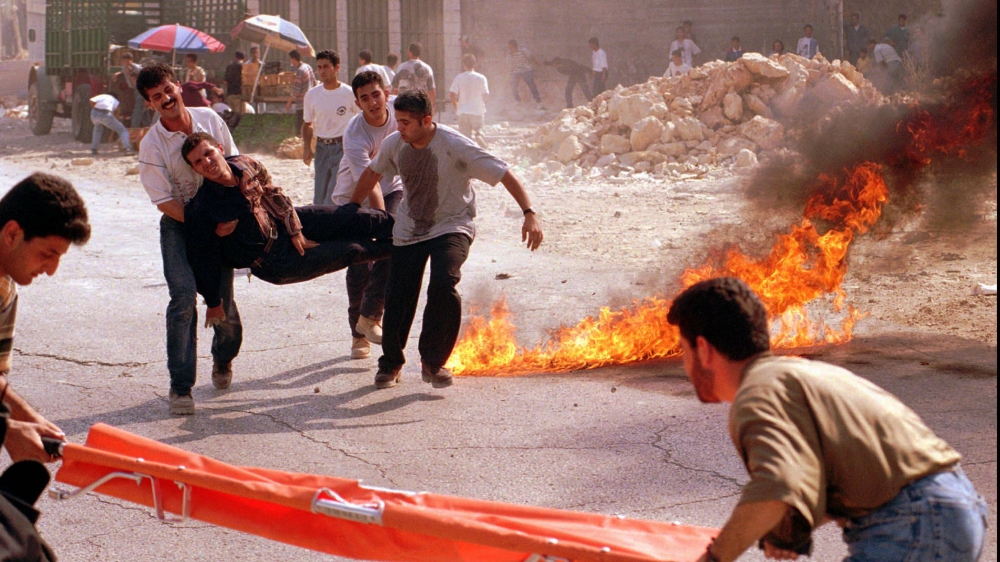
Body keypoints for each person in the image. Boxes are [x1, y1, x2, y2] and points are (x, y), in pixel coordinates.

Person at [666, 277, 988, 562]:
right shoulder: (797, 374)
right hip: (952, 510)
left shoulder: (757, 394)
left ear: (704, 349)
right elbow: (811, 474)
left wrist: (714, 557)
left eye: (684, 351)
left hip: (915, 522)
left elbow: (777, 486)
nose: (684, 365)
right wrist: (784, 533)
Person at [349, 90, 543, 390]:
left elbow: (504, 172)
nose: (399, 128)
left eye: (405, 122)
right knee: (399, 294)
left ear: (426, 120)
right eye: (397, 121)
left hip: (452, 225)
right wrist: (351, 209)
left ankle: (433, 362)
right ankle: (391, 363)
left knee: (444, 282)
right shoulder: (394, 144)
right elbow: (371, 173)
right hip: (410, 228)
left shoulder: (455, 144)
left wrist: (529, 213)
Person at [180, 133, 393, 327]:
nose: (206, 162)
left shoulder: (245, 163)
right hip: (274, 261)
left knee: (355, 217)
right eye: (198, 161)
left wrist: (295, 231)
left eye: (208, 153)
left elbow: (272, 192)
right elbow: (203, 258)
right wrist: (213, 301)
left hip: (283, 222)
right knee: (352, 249)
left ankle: (415, 229)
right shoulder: (203, 208)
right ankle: (407, 247)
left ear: (220, 148)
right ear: (194, 169)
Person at [136, 62, 243, 415]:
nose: (165, 98)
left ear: (178, 86)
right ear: (150, 104)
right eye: (156, 97)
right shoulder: (152, 146)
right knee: (183, 296)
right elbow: (165, 202)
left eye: (168, 90)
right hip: (180, 224)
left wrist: (228, 215)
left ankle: (223, 358)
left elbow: (234, 164)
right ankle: (181, 386)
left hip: (221, 221)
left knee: (222, 302)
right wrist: (204, 224)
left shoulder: (211, 121)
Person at [0, 172, 91, 560]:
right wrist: (6, 428)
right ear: (12, 233)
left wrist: (27, 417)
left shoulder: (4, 290)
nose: (51, 270)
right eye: (47, 254)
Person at [334, 71, 406, 359]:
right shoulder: (354, 134)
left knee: (393, 244)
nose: (372, 102)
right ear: (357, 103)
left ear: (386, 93)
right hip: (355, 196)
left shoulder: (401, 111)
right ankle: (357, 334)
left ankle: (371, 317)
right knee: (360, 260)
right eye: (364, 98)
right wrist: (380, 223)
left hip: (393, 189)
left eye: (376, 94)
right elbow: (369, 182)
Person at [302, 50, 358, 206]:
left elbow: (361, 121)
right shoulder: (312, 95)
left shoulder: (349, 94)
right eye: (319, 67)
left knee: (333, 196)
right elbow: (307, 124)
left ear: (337, 67)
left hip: (343, 148)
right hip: (321, 148)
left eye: (326, 66)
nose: (322, 71)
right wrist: (307, 148)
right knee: (319, 197)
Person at [449, 53, 489, 145]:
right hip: (477, 111)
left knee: (465, 139)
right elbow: (486, 94)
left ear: (463, 65)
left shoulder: (459, 77)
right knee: (479, 129)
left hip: (463, 111)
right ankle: (479, 135)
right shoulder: (481, 78)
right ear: (474, 64)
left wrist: (456, 106)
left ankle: (468, 155)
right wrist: (481, 103)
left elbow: (452, 94)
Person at [391, 42, 436, 112]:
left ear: (410, 52)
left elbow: (395, 88)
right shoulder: (427, 68)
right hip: (421, 104)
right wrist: (432, 105)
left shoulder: (401, 67)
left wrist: (391, 103)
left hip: (404, 104)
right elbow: (431, 89)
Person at [286, 49, 317, 136]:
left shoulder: (300, 71)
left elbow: (296, 90)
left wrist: (289, 102)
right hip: (310, 102)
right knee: (308, 124)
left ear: (293, 59)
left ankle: (300, 143)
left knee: (300, 127)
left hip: (302, 104)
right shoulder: (308, 66)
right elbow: (314, 82)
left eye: (290, 59)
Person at [506, 40, 542, 108]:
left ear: (513, 46)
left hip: (526, 70)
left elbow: (531, 56)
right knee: (513, 86)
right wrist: (510, 70)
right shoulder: (509, 53)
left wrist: (536, 63)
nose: (508, 48)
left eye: (510, 46)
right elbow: (509, 62)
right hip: (516, 71)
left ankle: (538, 102)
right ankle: (517, 101)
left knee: (531, 85)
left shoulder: (523, 50)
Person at [224, 50, 245, 114]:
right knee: (241, 115)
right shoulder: (244, 67)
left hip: (230, 94)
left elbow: (225, 82)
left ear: (235, 57)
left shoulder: (229, 67)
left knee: (232, 115)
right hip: (240, 94)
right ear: (244, 58)